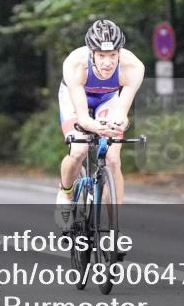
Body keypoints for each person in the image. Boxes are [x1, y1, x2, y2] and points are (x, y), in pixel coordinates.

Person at [55, 19, 145, 232]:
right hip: (76, 98)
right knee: (79, 149)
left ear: (119, 53)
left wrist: (118, 124)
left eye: (113, 55)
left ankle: (114, 228)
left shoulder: (133, 67)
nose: (107, 62)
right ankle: (66, 193)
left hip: (107, 98)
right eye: (102, 56)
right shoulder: (75, 64)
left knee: (113, 159)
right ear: (91, 53)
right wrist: (95, 127)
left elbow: (122, 113)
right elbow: (84, 119)